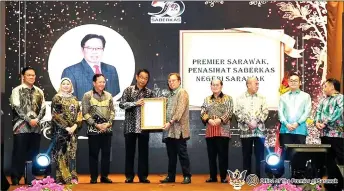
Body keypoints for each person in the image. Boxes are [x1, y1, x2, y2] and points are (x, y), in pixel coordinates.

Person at [9, 67, 46, 185]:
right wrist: (29, 120)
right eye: (29, 75)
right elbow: (16, 107)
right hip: (21, 127)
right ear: (23, 76)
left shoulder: (39, 91)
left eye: (33, 75)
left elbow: (43, 108)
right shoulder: (17, 90)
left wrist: (37, 119)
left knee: (34, 153)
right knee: (19, 152)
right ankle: (16, 176)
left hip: (36, 127)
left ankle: (31, 177)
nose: (31, 77)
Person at [119, 69, 153, 183]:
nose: (143, 80)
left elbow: (155, 107)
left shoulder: (149, 92)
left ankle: (143, 176)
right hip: (130, 127)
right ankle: (129, 176)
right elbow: (121, 104)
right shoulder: (128, 90)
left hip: (144, 127)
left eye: (146, 78)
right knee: (130, 153)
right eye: (141, 77)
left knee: (144, 153)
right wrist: (135, 103)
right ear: (137, 77)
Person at [61, 34, 120, 100]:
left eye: (98, 48)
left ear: (103, 49)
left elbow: (116, 98)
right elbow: (67, 101)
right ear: (82, 49)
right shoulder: (70, 72)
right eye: (89, 48)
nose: (94, 52)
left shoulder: (111, 69)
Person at [82, 74, 115, 184]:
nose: (102, 84)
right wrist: (96, 125)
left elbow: (113, 112)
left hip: (107, 129)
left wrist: (108, 124)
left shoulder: (109, 96)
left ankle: (104, 176)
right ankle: (94, 177)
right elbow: (85, 113)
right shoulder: (87, 95)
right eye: (99, 82)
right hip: (93, 130)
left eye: (103, 82)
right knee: (93, 154)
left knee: (106, 154)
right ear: (94, 83)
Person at [160, 73, 191, 184]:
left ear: (179, 81)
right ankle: (171, 176)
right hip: (169, 130)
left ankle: (187, 176)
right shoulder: (169, 94)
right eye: (169, 81)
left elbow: (179, 111)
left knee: (182, 154)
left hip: (179, 129)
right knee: (171, 155)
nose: (171, 83)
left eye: (173, 80)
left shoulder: (182, 92)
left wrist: (170, 122)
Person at [200, 79, 233, 183]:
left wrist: (220, 120)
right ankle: (213, 177)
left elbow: (230, 111)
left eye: (217, 85)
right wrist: (208, 119)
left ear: (221, 86)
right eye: (213, 85)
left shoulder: (228, 98)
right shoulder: (206, 99)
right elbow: (202, 111)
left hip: (223, 130)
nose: (215, 87)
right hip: (210, 130)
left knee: (223, 155)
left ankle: (223, 177)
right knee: (211, 156)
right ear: (211, 86)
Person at [235, 77, 269, 178]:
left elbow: (265, 111)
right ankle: (246, 175)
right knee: (246, 154)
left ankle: (260, 175)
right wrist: (248, 122)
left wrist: (256, 121)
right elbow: (237, 113)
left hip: (259, 130)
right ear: (248, 85)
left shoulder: (262, 98)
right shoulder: (240, 98)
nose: (258, 86)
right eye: (256, 84)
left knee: (260, 154)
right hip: (245, 130)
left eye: (258, 84)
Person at [51, 78, 82, 184]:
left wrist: (74, 126)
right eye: (63, 84)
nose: (65, 85)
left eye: (67, 84)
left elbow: (79, 115)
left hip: (73, 132)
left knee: (72, 154)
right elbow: (55, 116)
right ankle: (61, 178)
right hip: (60, 132)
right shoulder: (57, 98)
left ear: (71, 86)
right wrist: (66, 128)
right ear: (60, 86)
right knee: (61, 154)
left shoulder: (75, 99)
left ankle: (73, 177)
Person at [315, 78, 343, 191]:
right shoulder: (323, 100)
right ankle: (333, 183)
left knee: (341, 158)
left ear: (332, 87)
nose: (323, 88)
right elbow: (318, 112)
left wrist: (325, 122)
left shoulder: (340, 98)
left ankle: (340, 183)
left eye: (325, 86)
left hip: (337, 134)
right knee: (328, 160)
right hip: (324, 133)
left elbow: (338, 112)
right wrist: (317, 123)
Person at [278, 73, 311, 155]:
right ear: (288, 83)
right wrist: (286, 124)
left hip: (300, 130)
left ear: (300, 83)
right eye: (291, 81)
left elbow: (307, 112)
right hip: (286, 130)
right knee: (285, 155)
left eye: (296, 81)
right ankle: (286, 168)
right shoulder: (283, 97)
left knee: (300, 155)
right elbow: (280, 113)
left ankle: (299, 168)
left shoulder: (306, 96)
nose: (293, 83)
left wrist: (297, 123)